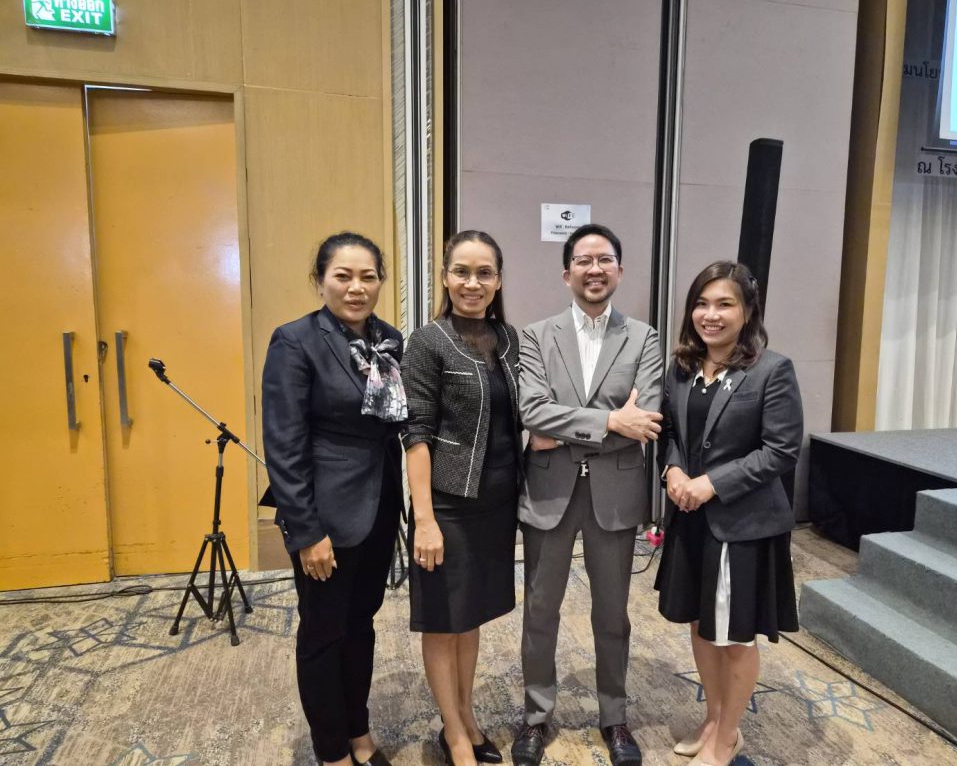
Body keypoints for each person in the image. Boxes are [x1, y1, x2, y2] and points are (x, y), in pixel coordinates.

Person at [513, 223, 663, 766]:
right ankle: (536, 716)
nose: (594, 269)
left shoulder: (644, 338)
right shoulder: (536, 335)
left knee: (613, 613)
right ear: (566, 273)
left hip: (614, 494)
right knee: (540, 610)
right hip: (549, 491)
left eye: (604, 260)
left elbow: (646, 418)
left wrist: (565, 428)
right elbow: (532, 410)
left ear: (620, 270)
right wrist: (611, 421)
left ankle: (614, 717)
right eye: (583, 260)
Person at [261, 232, 407, 766]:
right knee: (323, 632)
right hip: (324, 513)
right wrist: (306, 531)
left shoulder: (389, 338)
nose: (356, 287)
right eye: (343, 276)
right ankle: (331, 751)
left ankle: (359, 730)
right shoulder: (295, 341)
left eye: (368, 276)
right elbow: (284, 444)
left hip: (379, 506)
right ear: (320, 280)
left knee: (361, 622)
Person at [654, 261, 803, 766]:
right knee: (700, 624)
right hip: (692, 517)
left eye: (724, 304)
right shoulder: (682, 370)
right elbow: (671, 433)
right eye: (701, 303)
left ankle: (728, 736)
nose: (710, 315)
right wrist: (674, 471)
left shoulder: (771, 370)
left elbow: (781, 451)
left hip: (741, 525)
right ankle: (715, 719)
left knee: (735, 636)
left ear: (748, 311)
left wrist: (711, 484)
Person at [400, 230, 520, 766]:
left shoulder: (509, 338)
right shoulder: (427, 342)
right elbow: (416, 435)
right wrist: (424, 519)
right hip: (446, 504)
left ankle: (468, 715)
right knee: (442, 619)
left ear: (498, 280)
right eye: (462, 272)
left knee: (470, 616)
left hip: (497, 503)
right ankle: (452, 733)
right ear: (445, 278)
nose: (473, 283)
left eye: (484, 273)